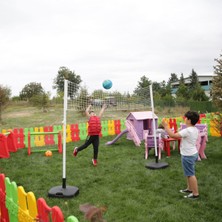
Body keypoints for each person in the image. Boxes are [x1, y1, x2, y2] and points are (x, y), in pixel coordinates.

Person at [161, 111, 200, 199]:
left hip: (188, 155)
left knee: (190, 174)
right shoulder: (194, 129)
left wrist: (166, 126)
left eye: (186, 118)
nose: (184, 119)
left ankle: (195, 194)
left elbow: (172, 135)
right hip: (192, 153)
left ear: (189, 120)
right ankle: (189, 189)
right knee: (188, 173)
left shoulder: (187, 130)